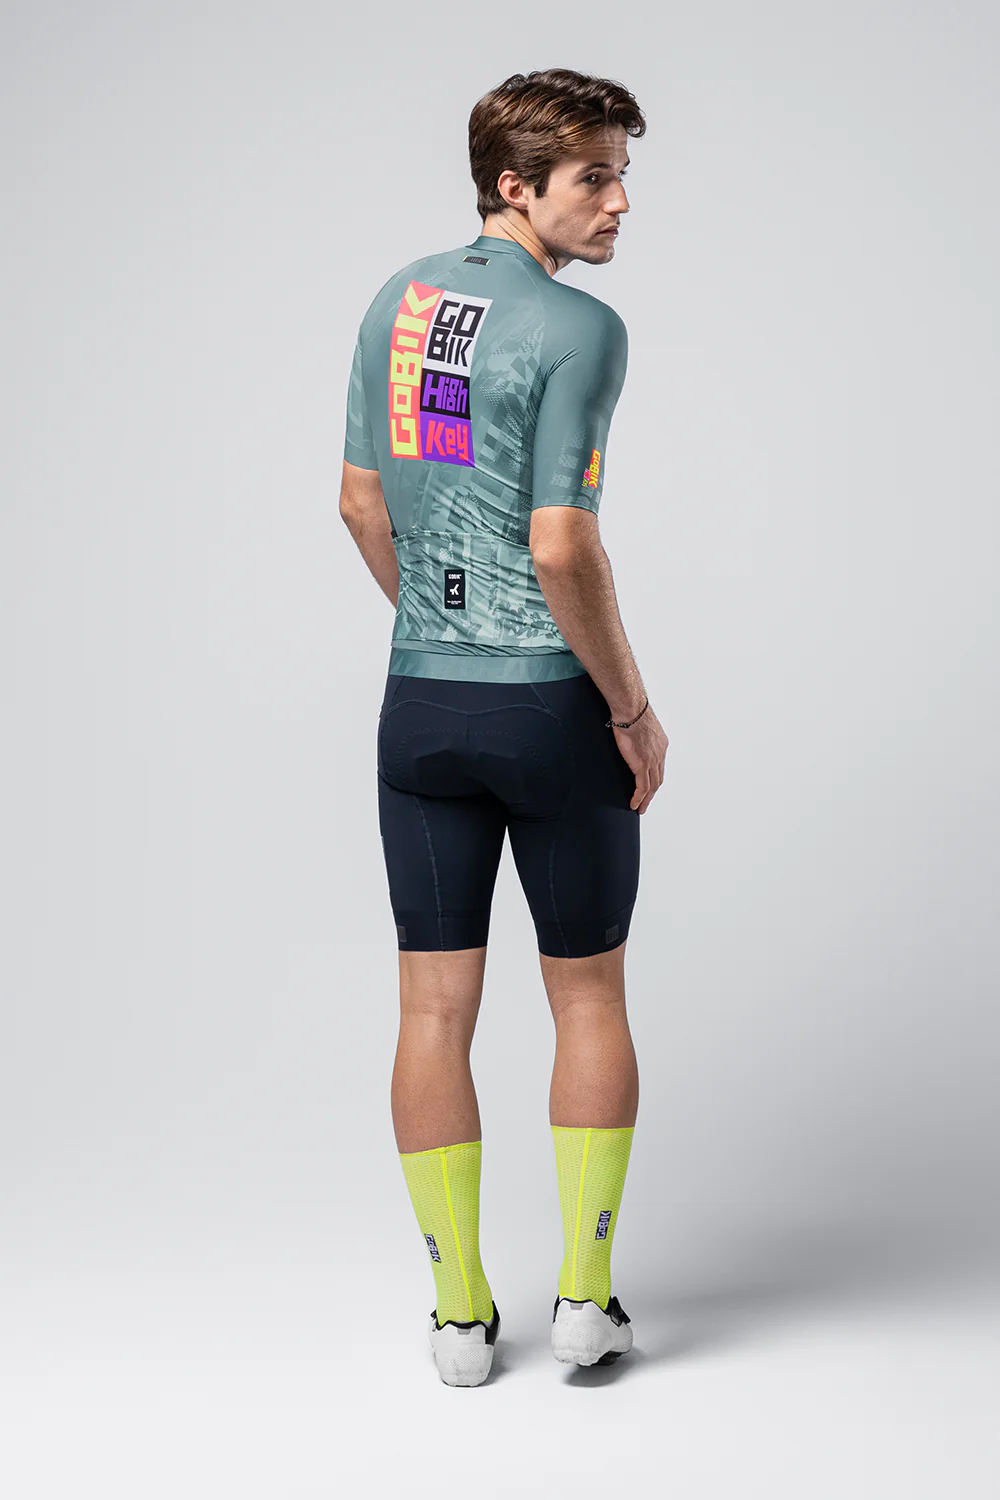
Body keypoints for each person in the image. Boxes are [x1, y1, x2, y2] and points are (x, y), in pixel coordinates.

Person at [339, 67, 668, 1386]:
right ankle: (586, 1301)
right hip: (547, 708)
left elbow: (361, 503)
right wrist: (629, 708)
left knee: (432, 1008)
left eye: (622, 174)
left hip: (420, 703)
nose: (621, 201)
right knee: (586, 995)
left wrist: (443, 628)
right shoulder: (582, 327)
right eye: (597, 176)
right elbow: (562, 543)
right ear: (515, 186)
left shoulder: (398, 303)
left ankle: (459, 1318)